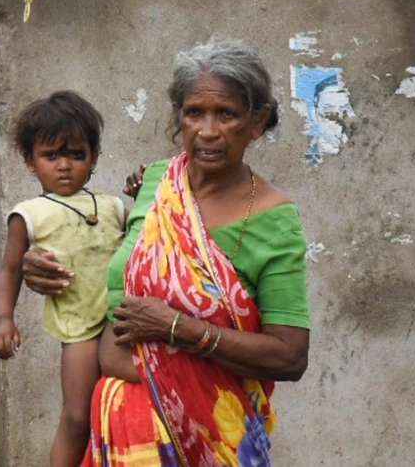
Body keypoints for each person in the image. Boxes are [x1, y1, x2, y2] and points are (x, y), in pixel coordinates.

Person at [22, 39, 310, 467]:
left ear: (258, 121)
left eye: (226, 114)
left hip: (209, 433)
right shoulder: (159, 183)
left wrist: (177, 327)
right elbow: (120, 268)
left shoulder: (274, 219)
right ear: (179, 116)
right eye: (195, 112)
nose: (207, 131)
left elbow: (289, 356)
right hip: (118, 428)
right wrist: (41, 266)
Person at [0, 91, 128, 467]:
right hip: (79, 327)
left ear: (94, 157)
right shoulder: (30, 213)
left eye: (76, 154)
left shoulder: (113, 205)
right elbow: (10, 269)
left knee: (122, 410)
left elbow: (143, 241)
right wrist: (4, 319)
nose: (64, 165)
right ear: (30, 161)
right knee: (78, 416)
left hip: (122, 321)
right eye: (51, 155)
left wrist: (142, 192)